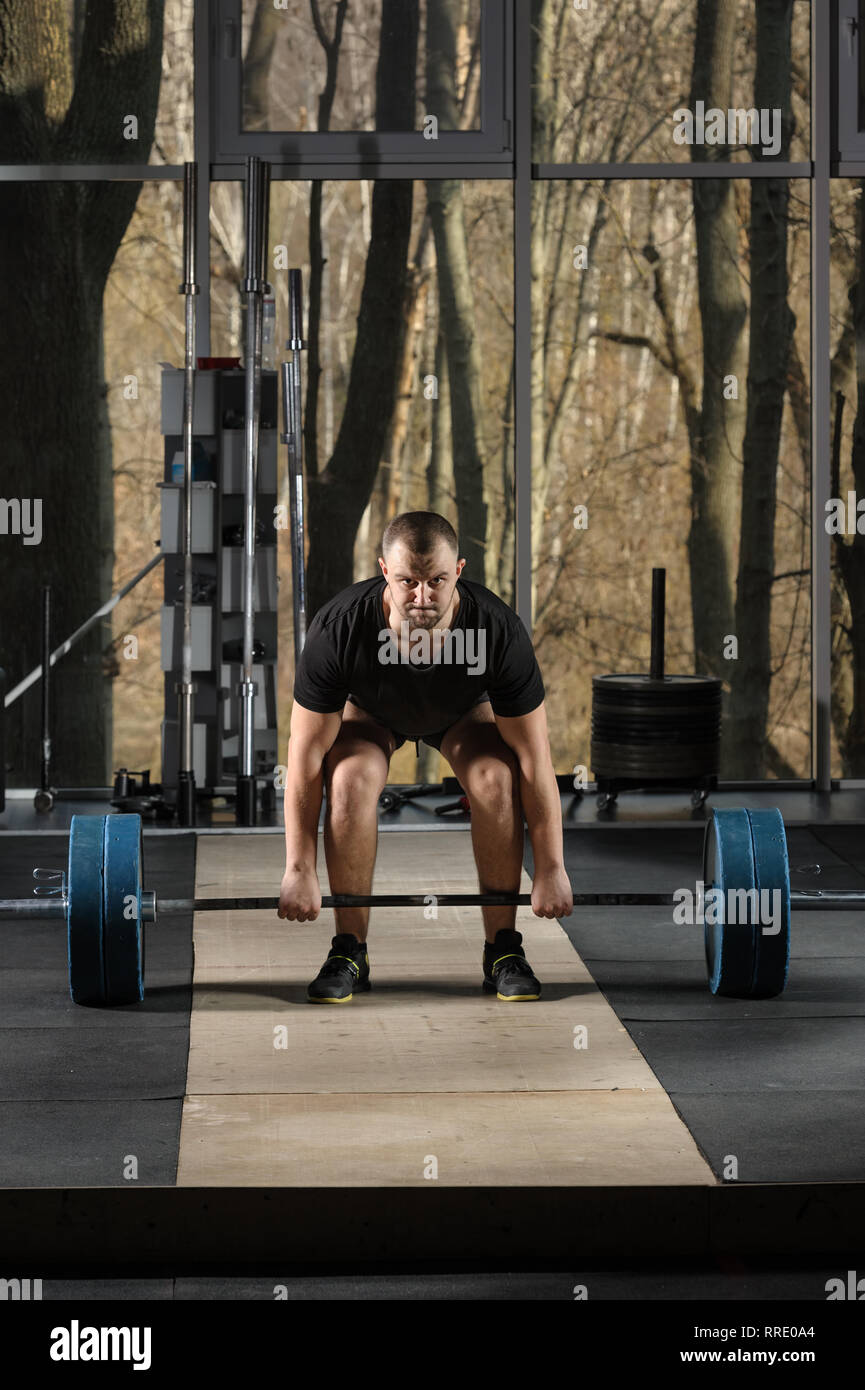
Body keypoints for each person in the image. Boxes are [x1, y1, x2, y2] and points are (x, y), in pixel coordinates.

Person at [277, 510, 573, 1001]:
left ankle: (503, 947)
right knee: (349, 778)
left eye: (436, 580)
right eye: (406, 582)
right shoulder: (338, 628)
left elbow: (534, 758)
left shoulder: (496, 630)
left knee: (496, 778)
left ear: (458, 571)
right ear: (383, 572)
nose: (421, 597)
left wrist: (550, 867)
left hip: (462, 714)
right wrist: (298, 868)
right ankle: (349, 948)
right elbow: (306, 758)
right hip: (370, 716)